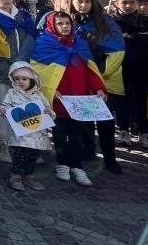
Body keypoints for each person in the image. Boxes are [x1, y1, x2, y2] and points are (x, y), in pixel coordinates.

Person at [31, 12, 107, 187]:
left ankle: (77, 166)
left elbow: (90, 69)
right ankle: (62, 164)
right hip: (58, 99)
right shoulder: (44, 44)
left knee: (77, 134)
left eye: (67, 23)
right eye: (60, 23)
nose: (64, 26)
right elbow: (38, 71)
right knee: (59, 134)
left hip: (80, 99)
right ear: (52, 25)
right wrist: (50, 89)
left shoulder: (80, 44)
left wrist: (98, 88)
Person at [69, 0, 125, 174]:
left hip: (104, 77)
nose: (83, 5)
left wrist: (99, 75)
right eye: (80, 2)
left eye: (87, 2)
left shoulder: (106, 23)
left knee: (105, 121)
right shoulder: (69, 22)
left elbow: (117, 51)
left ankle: (110, 157)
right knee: (84, 120)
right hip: (80, 78)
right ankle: (89, 151)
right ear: (73, 3)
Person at [0, 0, 37, 162]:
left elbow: (31, 35)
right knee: (3, 107)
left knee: (23, 106)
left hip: (22, 68)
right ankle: (4, 144)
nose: (7, 0)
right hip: (1, 69)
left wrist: (22, 61)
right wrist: (16, 62)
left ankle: (25, 144)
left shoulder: (22, 16)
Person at [110, 0, 148, 149]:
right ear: (116, 3)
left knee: (143, 99)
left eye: (132, 2)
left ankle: (144, 132)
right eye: (124, 2)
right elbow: (114, 42)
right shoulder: (112, 22)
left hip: (145, 66)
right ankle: (123, 129)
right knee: (123, 99)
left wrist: (130, 36)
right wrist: (141, 37)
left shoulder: (147, 20)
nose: (128, 6)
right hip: (122, 66)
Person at [0, 62, 54, 191]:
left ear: (32, 79)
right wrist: (2, 110)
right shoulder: (11, 94)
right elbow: (4, 106)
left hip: (38, 134)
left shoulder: (39, 96)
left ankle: (29, 175)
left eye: (24, 79)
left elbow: (49, 111)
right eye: (17, 79)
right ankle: (16, 175)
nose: (20, 82)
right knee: (20, 155)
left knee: (33, 156)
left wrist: (49, 113)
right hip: (21, 134)